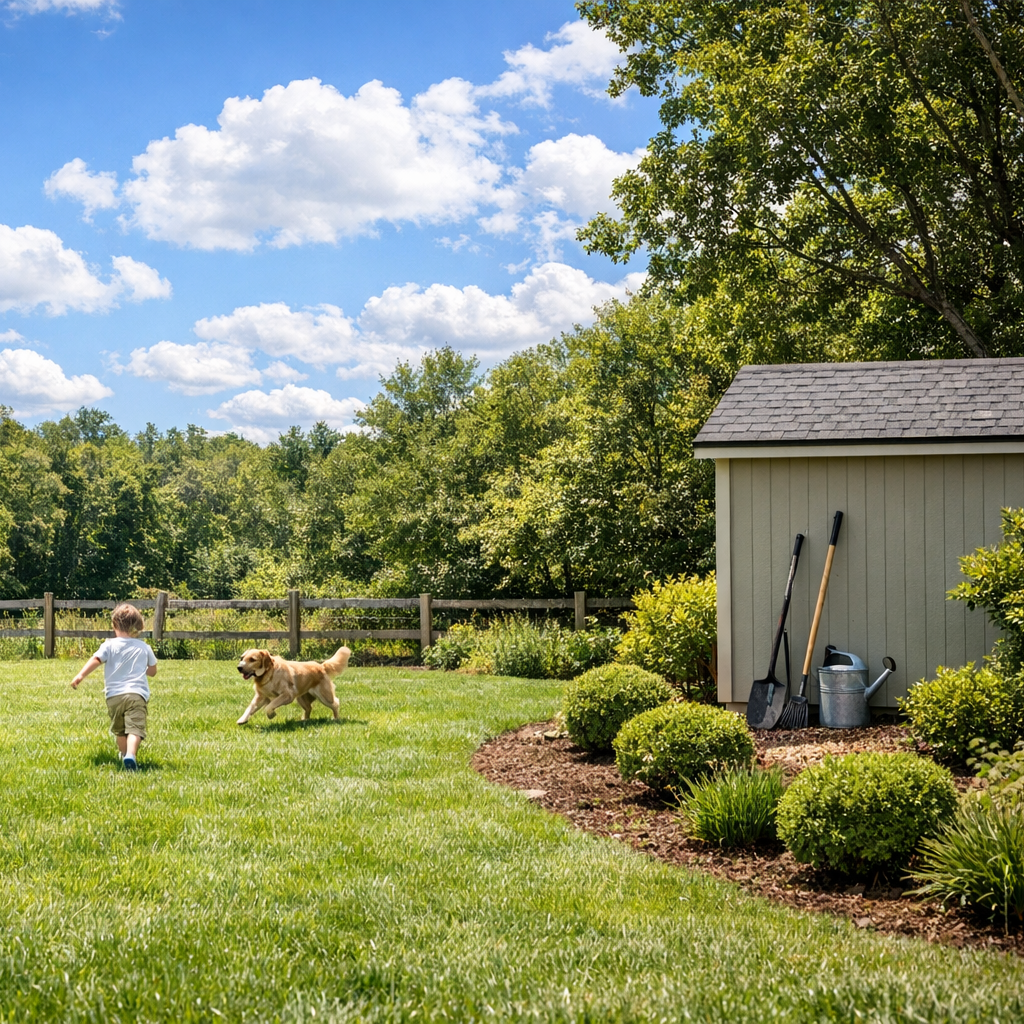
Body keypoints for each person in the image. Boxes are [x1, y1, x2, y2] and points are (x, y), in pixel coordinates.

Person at [71, 603, 157, 771]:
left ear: (114, 624)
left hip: (114, 697)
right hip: (137, 695)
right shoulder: (144, 647)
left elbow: (96, 659)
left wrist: (80, 675)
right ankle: (131, 755)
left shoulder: (109, 645)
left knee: (120, 731)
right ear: (137, 626)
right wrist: (141, 669)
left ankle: (124, 755)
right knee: (135, 729)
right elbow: (152, 671)